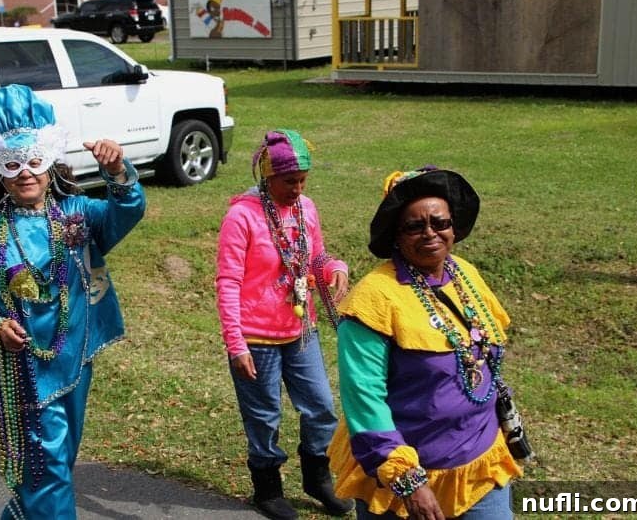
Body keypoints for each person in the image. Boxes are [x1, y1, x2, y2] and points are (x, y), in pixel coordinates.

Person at [0, 84, 146, 519]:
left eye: (34, 161)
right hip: (23, 373)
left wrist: (117, 171)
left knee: (56, 464)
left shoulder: (78, 215)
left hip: (74, 361)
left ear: (50, 163)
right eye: (11, 164)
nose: (25, 173)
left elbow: (126, 211)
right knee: (48, 468)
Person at [327, 166, 528, 519]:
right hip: (406, 483)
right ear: (396, 235)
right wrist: (408, 482)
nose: (431, 233)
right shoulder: (372, 301)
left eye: (441, 223)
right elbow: (364, 402)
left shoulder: (464, 274)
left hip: (481, 466)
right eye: (415, 226)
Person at [216, 129, 354, 519]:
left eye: (302, 181)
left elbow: (316, 258)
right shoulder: (241, 216)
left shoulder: (306, 209)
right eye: (289, 181)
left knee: (322, 407)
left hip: (300, 330)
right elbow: (227, 282)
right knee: (263, 415)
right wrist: (236, 343)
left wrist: (335, 269)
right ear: (268, 176)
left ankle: (316, 476)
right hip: (255, 336)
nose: (297, 189)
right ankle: (268, 488)